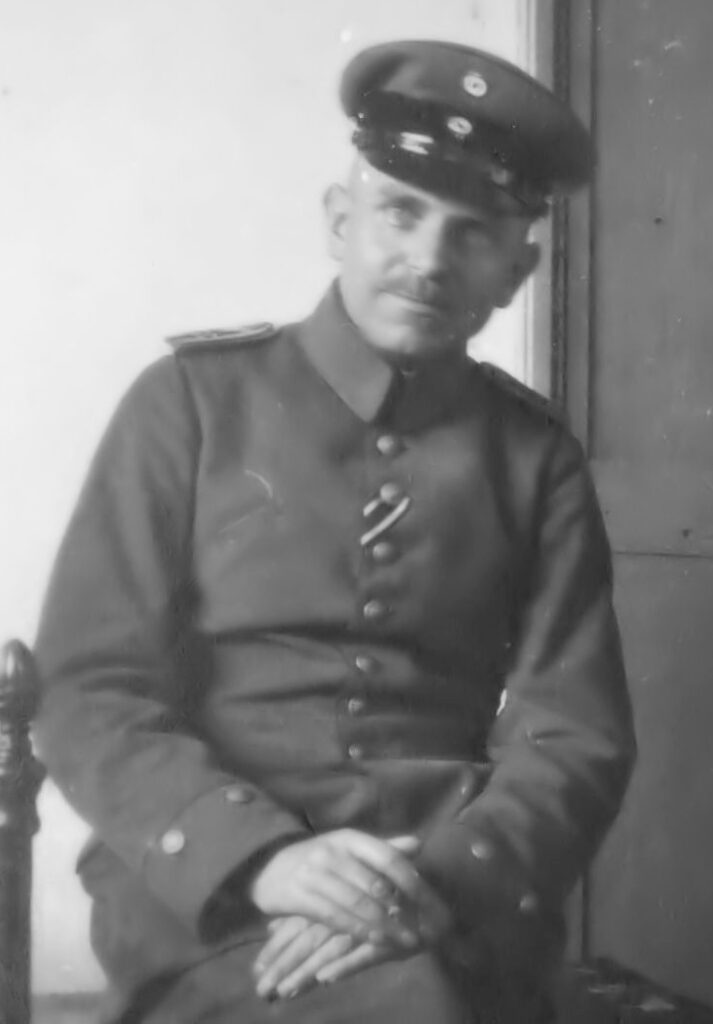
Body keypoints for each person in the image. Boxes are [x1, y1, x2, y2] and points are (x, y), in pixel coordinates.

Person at [34, 39, 636, 1024]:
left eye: (472, 232)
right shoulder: (187, 404)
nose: (429, 260)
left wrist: (438, 881)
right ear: (338, 220)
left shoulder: (535, 457)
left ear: (517, 269)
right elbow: (91, 688)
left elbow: (576, 735)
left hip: (450, 893)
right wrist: (264, 860)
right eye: (400, 212)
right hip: (216, 897)